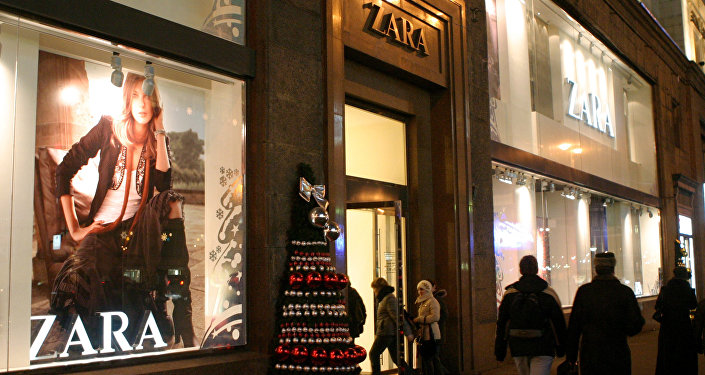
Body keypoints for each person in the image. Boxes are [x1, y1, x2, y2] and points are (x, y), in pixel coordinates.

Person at [51, 72, 196, 347]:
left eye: (148, 97)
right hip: (103, 230)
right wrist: (75, 229)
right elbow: (64, 169)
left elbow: (164, 187)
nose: (142, 104)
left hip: (138, 230)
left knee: (173, 202)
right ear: (127, 100)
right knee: (89, 288)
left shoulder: (158, 142)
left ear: (156, 104)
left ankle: (183, 311)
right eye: (135, 96)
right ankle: (154, 308)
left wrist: (161, 131)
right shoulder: (108, 127)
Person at [566, 252, 645, 375]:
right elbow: (635, 326)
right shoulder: (625, 292)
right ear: (613, 268)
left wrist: (571, 357)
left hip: (591, 354)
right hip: (617, 352)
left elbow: (574, 328)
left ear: (596, 269)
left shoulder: (584, 292)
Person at [494, 255, 566, 375]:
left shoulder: (510, 294)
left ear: (520, 270)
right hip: (543, 346)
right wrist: (561, 348)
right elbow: (558, 323)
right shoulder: (548, 293)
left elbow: (502, 324)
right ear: (537, 269)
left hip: (518, 346)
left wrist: (500, 350)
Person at [654, 266, 698, 375]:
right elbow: (693, 305)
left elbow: (657, 306)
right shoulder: (687, 289)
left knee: (668, 354)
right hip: (683, 325)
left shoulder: (666, 289)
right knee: (684, 354)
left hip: (667, 325)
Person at [370, 277, 399, 375]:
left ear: (379, 288)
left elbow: (396, 317)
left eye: (374, 289)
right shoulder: (385, 298)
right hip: (389, 332)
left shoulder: (388, 299)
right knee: (396, 358)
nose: (374, 291)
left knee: (373, 354)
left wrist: (408, 333)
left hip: (386, 332)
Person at [414, 280, 442, 375]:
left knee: (432, 359)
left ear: (427, 289)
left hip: (432, 335)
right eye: (418, 289)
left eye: (422, 289)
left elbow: (435, 317)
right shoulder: (423, 302)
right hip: (425, 335)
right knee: (428, 359)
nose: (419, 292)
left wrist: (420, 319)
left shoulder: (432, 301)